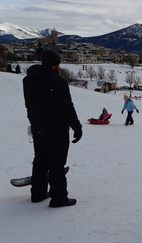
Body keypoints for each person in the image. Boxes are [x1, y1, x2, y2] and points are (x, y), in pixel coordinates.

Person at [23, 49, 82, 208]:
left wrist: (34, 123)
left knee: (40, 160)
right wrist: (77, 127)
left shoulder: (28, 81)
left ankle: (38, 193)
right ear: (55, 65)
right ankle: (59, 198)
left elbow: (29, 106)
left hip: (38, 128)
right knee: (56, 163)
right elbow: (67, 107)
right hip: (57, 130)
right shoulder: (58, 82)